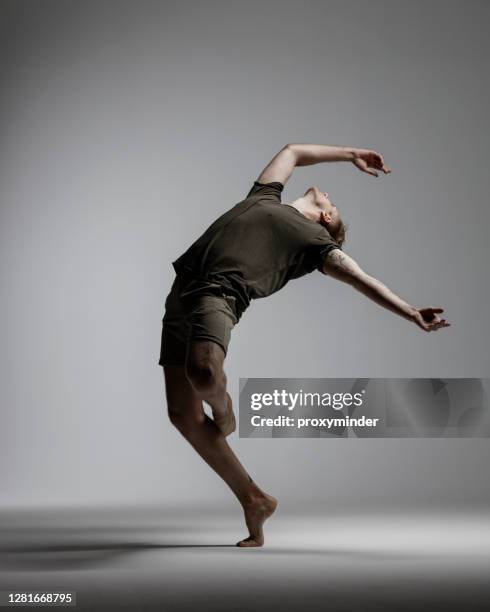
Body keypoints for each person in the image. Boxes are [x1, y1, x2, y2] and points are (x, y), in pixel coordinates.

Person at [158, 143, 450, 547]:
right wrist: (351, 154)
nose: (329, 194)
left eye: (333, 203)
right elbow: (293, 151)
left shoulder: (315, 242)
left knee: (204, 371)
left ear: (327, 218)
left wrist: (410, 311)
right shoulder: (264, 196)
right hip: (182, 292)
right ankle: (255, 499)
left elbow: (361, 278)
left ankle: (225, 412)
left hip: (218, 294)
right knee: (183, 415)